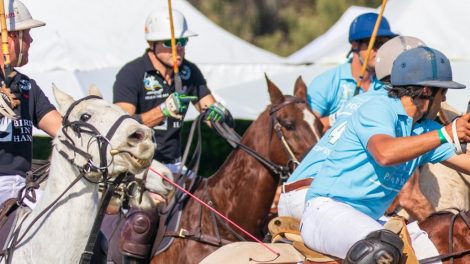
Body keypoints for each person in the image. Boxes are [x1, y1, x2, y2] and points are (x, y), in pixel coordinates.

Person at [301, 46, 469, 263]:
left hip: (369, 221)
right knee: (381, 250)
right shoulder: (378, 108)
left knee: (435, 251)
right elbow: (385, 153)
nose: (442, 102)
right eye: (443, 93)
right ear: (427, 91)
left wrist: (446, 134)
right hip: (325, 212)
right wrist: (445, 133)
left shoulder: (424, 129)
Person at [111, 9, 233, 262]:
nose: (179, 49)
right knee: (147, 212)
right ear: (152, 44)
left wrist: (218, 113)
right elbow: (122, 125)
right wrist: (162, 111)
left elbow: (208, 105)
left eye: (183, 42)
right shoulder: (132, 73)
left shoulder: (189, 72)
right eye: (170, 43)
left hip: (177, 164)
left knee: (213, 204)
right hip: (140, 166)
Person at [278, 36, 426, 220]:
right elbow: (408, 196)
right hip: (320, 198)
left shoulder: (361, 100)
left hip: (294, 192)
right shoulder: (391, 109)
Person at [0, 0, 62, 206]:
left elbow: (61, 129)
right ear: (8, 38)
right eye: (25, 33)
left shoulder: (26, 84)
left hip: (24, 186)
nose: (31, 39)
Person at [307, 12, 397, 132]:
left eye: (384, 44)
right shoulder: (326, 82)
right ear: (355, 45)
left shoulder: (388, 84)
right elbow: (305, 128)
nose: (380, 50)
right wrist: (337, 118)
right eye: (375, 43)